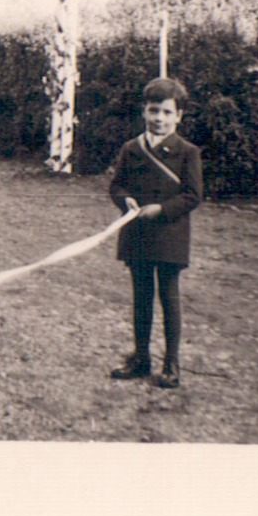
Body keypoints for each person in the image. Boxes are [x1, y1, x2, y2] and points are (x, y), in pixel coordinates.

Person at [106, 76, 204, 389]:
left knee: (169, 298)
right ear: (143, 112)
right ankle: (140, 358)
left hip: (170, 236)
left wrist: (161, 210)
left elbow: (192, 195)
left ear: (178, 116)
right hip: (137, 235)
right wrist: (126, 201)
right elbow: (116, 185)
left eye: (165, 112)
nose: (158, 118)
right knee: (142, 298)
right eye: (153, 111)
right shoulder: (131, 148)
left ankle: (171, 364)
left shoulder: (187, 152)